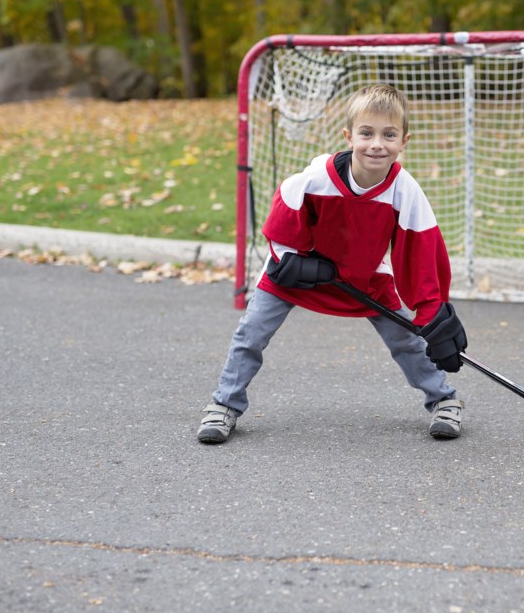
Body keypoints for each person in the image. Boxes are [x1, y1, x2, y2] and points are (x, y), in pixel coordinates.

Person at [198, 84, 468, 445]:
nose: (376, 144)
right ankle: (224, 404)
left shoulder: (405, 190)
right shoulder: (314, 179)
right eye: (366, 133)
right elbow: (280, 224)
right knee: (251, 333)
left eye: (388, 135)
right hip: (299, 273)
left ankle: (444, 400)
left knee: (406, 339)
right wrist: (293, 261)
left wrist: (432, 311)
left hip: (364, 277)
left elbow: (421, 251)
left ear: (404, 141)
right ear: (348, 136)